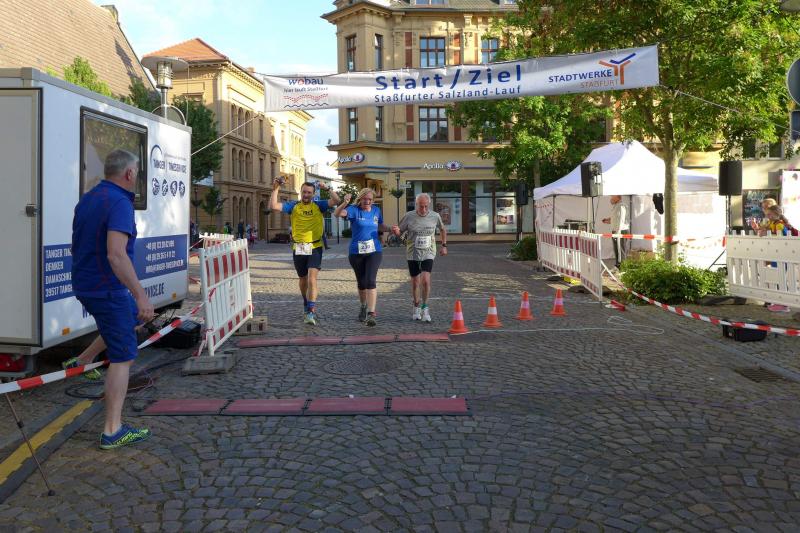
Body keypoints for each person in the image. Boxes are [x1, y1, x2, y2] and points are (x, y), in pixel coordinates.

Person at [66, 149, 155, 449]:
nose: (137, 176)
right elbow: (116, 255)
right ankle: (112, 430)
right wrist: (141, 295)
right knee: (123, 356)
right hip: (107, 289)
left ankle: (83, 359)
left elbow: (76, 245)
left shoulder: (89, 198)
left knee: (130, 320)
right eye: (137, 172)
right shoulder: (119, 202)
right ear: (129, 173)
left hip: (86, 283)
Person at [270, 178, 339, 325]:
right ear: (301, 192)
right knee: (302, 279)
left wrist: (327, 188)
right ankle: (306, 302)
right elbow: (274, 206)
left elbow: (336, 200)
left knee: (311, 278)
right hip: (299, 247)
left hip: (315, 246)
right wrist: (275, 188)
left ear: (313, 194)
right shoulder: (293, 206)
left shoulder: (319, 205)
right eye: (304, 192)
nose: (306, 195)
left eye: (309, 192)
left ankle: (311, 311)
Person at [334, 188, 393, 326]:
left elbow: (380, 225)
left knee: (370, 281)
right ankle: (363, 306)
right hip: (356, 252)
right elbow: (337, 214)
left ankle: (371, 314)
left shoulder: (376, 211)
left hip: (374, 251)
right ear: (360, 199)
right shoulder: (353, 210)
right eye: (365, 199)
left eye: (370, 199)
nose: (367, 201)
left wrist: (391, 229)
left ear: (373, 200)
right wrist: (345, 203)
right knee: (361, 283)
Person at [391, 193, 447, 322]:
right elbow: (400, 232)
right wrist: (396, 231)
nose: (423, 209)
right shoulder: (409, 216)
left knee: (426, 280)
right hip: (413, 253)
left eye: (426, 206)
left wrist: (444, 245)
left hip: (429, 252)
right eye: (421, 206)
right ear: (416, 204)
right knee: (415, 282)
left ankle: (425, 307)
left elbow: (443, 229)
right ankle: (416, 306)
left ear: (429, 205)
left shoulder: (435, 216)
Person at [602, 195, 630, 268]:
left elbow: (621, 220)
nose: (611, 198)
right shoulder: (616, 206)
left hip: (621, 231)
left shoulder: (621, 206)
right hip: (616, 231)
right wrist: (608, 220)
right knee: (616, 249)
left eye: (612, 197)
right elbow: (616, 219)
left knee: (621, 249)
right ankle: (618, 266)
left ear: (618, 197)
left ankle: (623, 267)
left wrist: (618, 232)